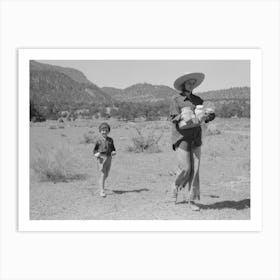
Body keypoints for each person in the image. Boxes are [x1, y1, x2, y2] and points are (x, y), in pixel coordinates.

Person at [169, 72, 215, 210]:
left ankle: (191, 200)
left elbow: (201, 118)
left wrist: (208, 116)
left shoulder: (198, 100)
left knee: (195, 170)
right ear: (183, 85)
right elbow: (173, 118)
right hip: (181, 137)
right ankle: (175, 186)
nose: (191, 85)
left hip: (196, 135)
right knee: (185, 168)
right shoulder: (176, 99)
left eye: (192, 83)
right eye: (188, 83)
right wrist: (182, 116)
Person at [93, 122, 116, 197]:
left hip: (109, 158)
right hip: (101, 158)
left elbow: (113, 148)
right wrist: (96, 154)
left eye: (106, 130)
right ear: (100, 131)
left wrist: (113, 151)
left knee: (107, 174)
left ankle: (101, 183)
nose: (104, 132)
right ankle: (102, 191)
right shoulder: (98, 140)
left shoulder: (110, 140)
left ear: (108, 131)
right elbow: (95, 150)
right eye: (102, 130)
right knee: (103, 174)